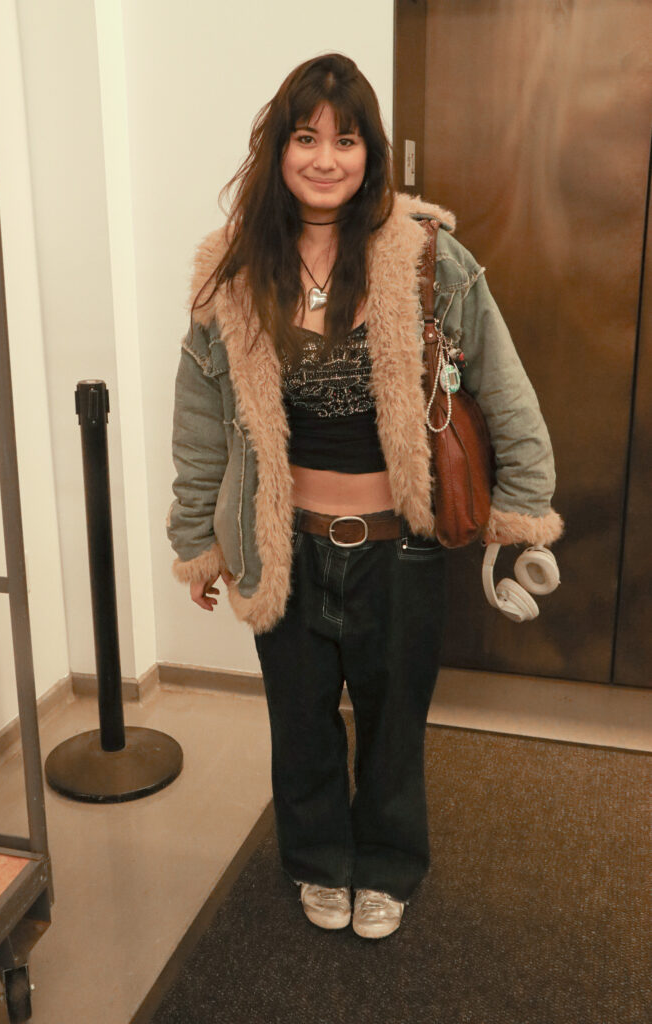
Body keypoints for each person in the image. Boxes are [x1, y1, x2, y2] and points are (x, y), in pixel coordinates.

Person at [167, 53, 563, 940]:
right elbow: (201, 418)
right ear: (277, 150)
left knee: (393, 724)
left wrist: (525, 513)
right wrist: (199, 537)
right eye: (305, 137)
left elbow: (501, 386)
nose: (324, 157)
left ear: (369, 152)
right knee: (300, 723)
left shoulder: (426, 256)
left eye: (344, 139)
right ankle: (317, 859)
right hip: (287, 547)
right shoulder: (232, 271)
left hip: (401, 547)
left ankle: (386, 864)